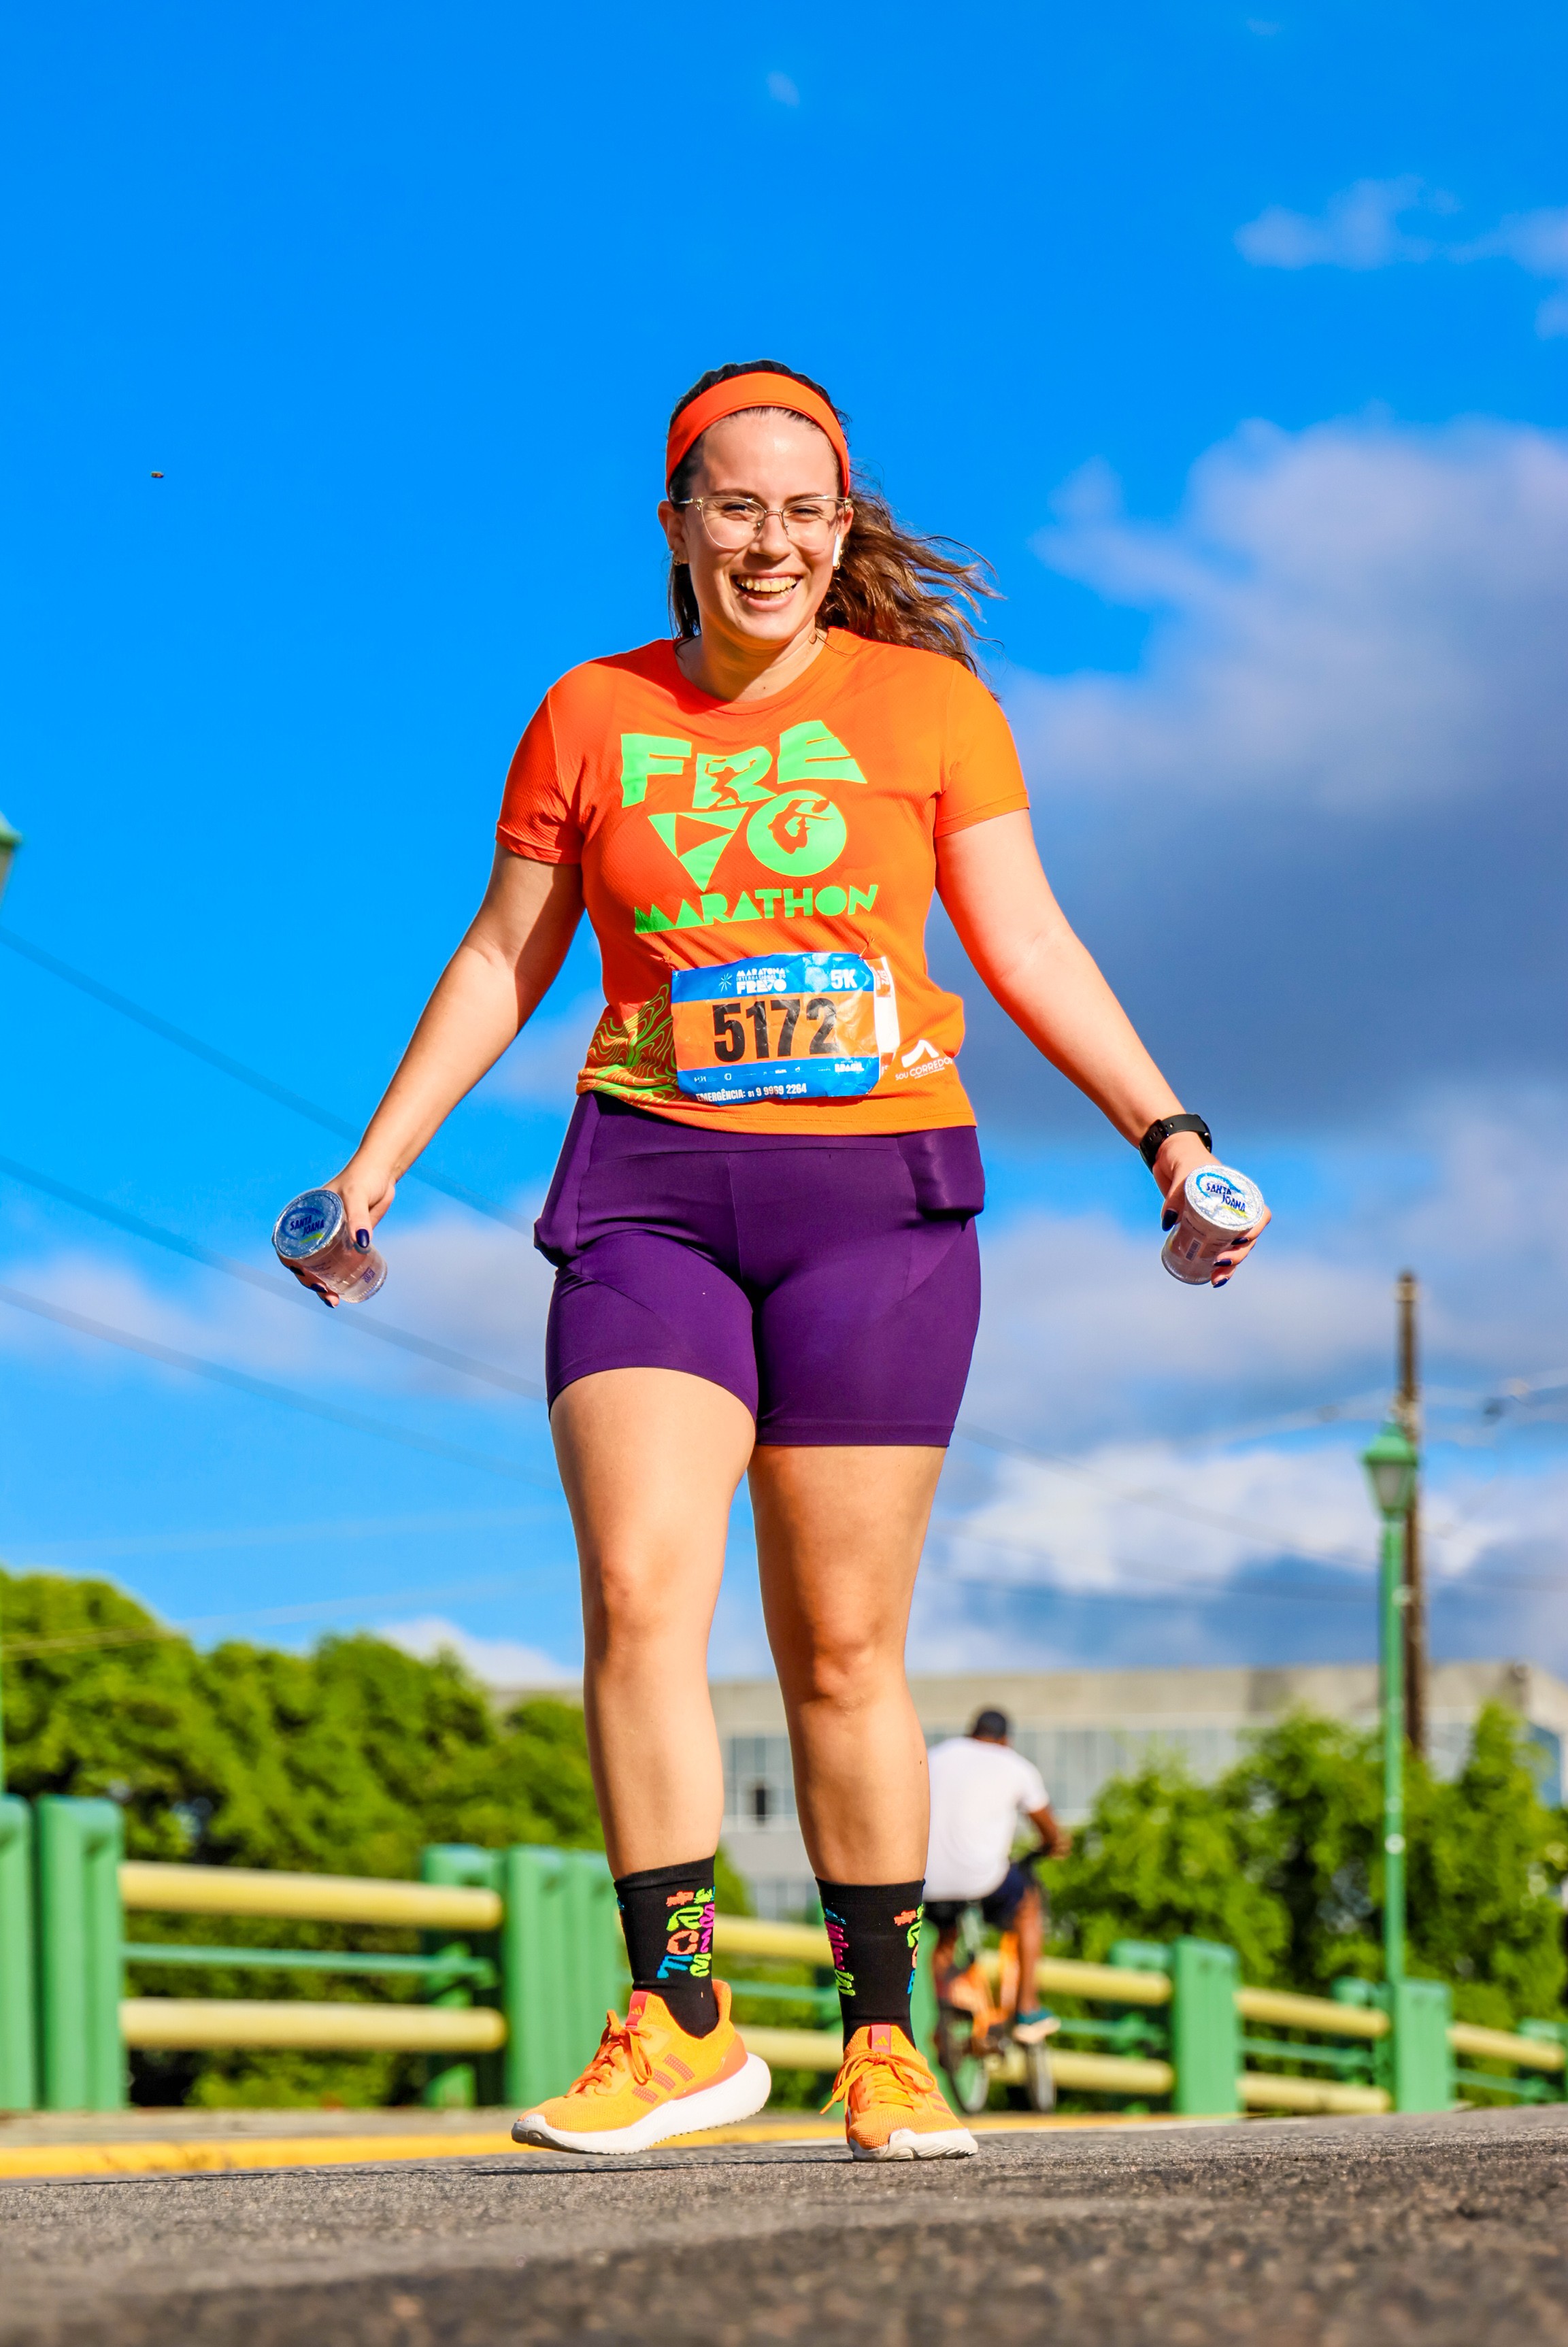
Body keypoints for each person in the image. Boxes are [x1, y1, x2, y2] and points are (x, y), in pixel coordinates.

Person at [288, 360, 1269, 2164]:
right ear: (675, 524)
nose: (772, 541)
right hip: (648, 1190)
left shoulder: (929, 707)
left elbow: (1027, 939)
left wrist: (1170, 1135)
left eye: (805, 511)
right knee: (638, 1591)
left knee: (839, 1646)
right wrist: (373, 1171)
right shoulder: (591, 713)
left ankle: (884, 2040)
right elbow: (504, 956)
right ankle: (678, 2018)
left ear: (841, 527)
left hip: (873, 1202)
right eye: (735, 506)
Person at [924, 1708, 1071, 2046]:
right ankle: (1027, 2008)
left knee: (946, 1938)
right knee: (1028, 1910)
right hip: (983, 1880)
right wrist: (1052, 1847)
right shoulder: (1016, 1766)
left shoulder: (935, 1757)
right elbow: (1048, 1828)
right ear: (1005, 1739)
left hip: (928, 1882)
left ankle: (943, 2017)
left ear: (971, 1732)